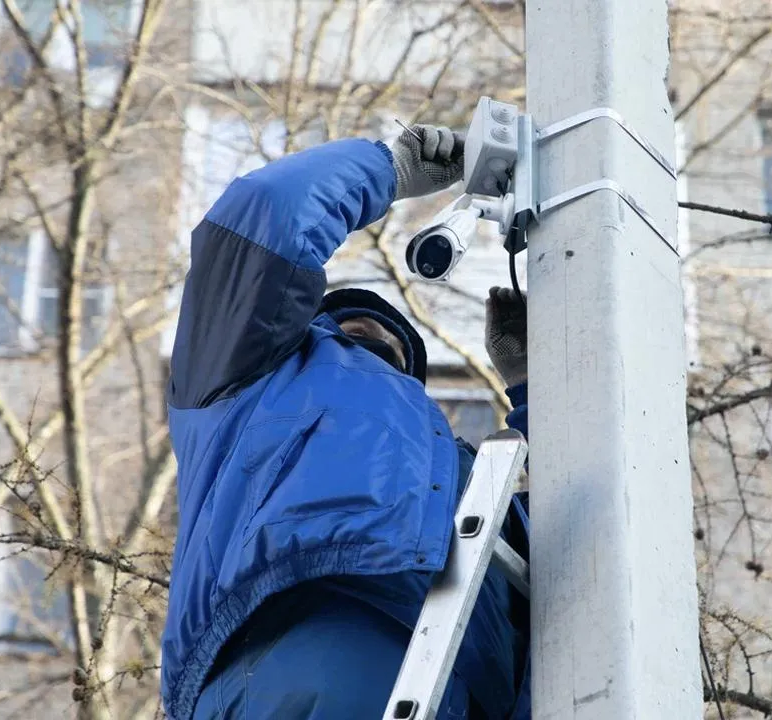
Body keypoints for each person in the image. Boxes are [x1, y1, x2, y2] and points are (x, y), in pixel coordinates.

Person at [160, 121, 532, 720]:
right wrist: (390, 170)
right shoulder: (249, 379)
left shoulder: (461, 477)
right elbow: (266, 218)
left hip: (457, 678)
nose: (377, 338)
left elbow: (578, 556)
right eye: (345, 332)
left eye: (397, 350)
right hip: (300, 638)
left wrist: (533, 388)